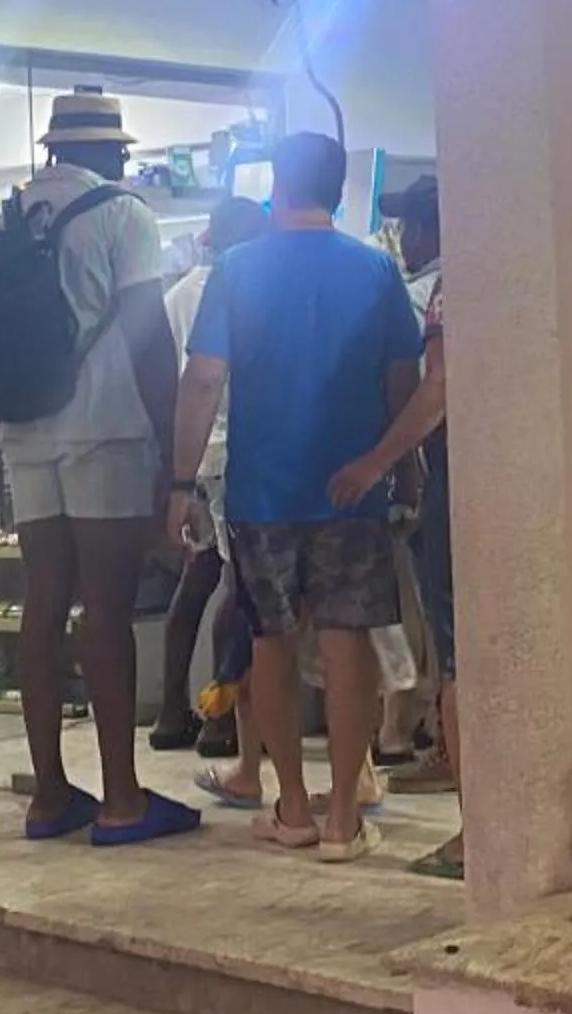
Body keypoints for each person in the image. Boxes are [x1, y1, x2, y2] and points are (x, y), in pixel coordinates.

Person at [168, 133, 423, 862]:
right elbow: (399, 383)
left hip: (262, 489)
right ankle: (343, 816)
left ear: (278, 186)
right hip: (354, 490)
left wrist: (181, 484)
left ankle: (291, 805)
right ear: (340, 192)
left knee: (270, 641)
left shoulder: (237, 270)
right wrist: (403, 470)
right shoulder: (377, 271)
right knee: (349, 645)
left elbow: (203, 380)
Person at [1, 91, 193, 846]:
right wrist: (175, 453)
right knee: (106, 607)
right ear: (110, 153)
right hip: (106, 431)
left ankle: (50, 795)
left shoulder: (15, 212)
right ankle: (121, 797)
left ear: (55, 149)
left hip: (25, 431)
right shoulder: (123, 215)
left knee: (43, 603)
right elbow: (149, 338)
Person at [334, 174, 459, 878]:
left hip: (453, 479)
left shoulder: (434, 293)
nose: (407, 241)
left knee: (457, 651)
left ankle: (474, 829)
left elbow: (433, 388)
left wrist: (380, 459)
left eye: (414, 226)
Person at [153, 197, 269, 749]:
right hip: (230, 450)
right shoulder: (240, 285)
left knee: (197, 581)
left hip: (190, 454)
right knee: (238, 584)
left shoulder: (175, 295)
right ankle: (223, 717)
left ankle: (171, 710)